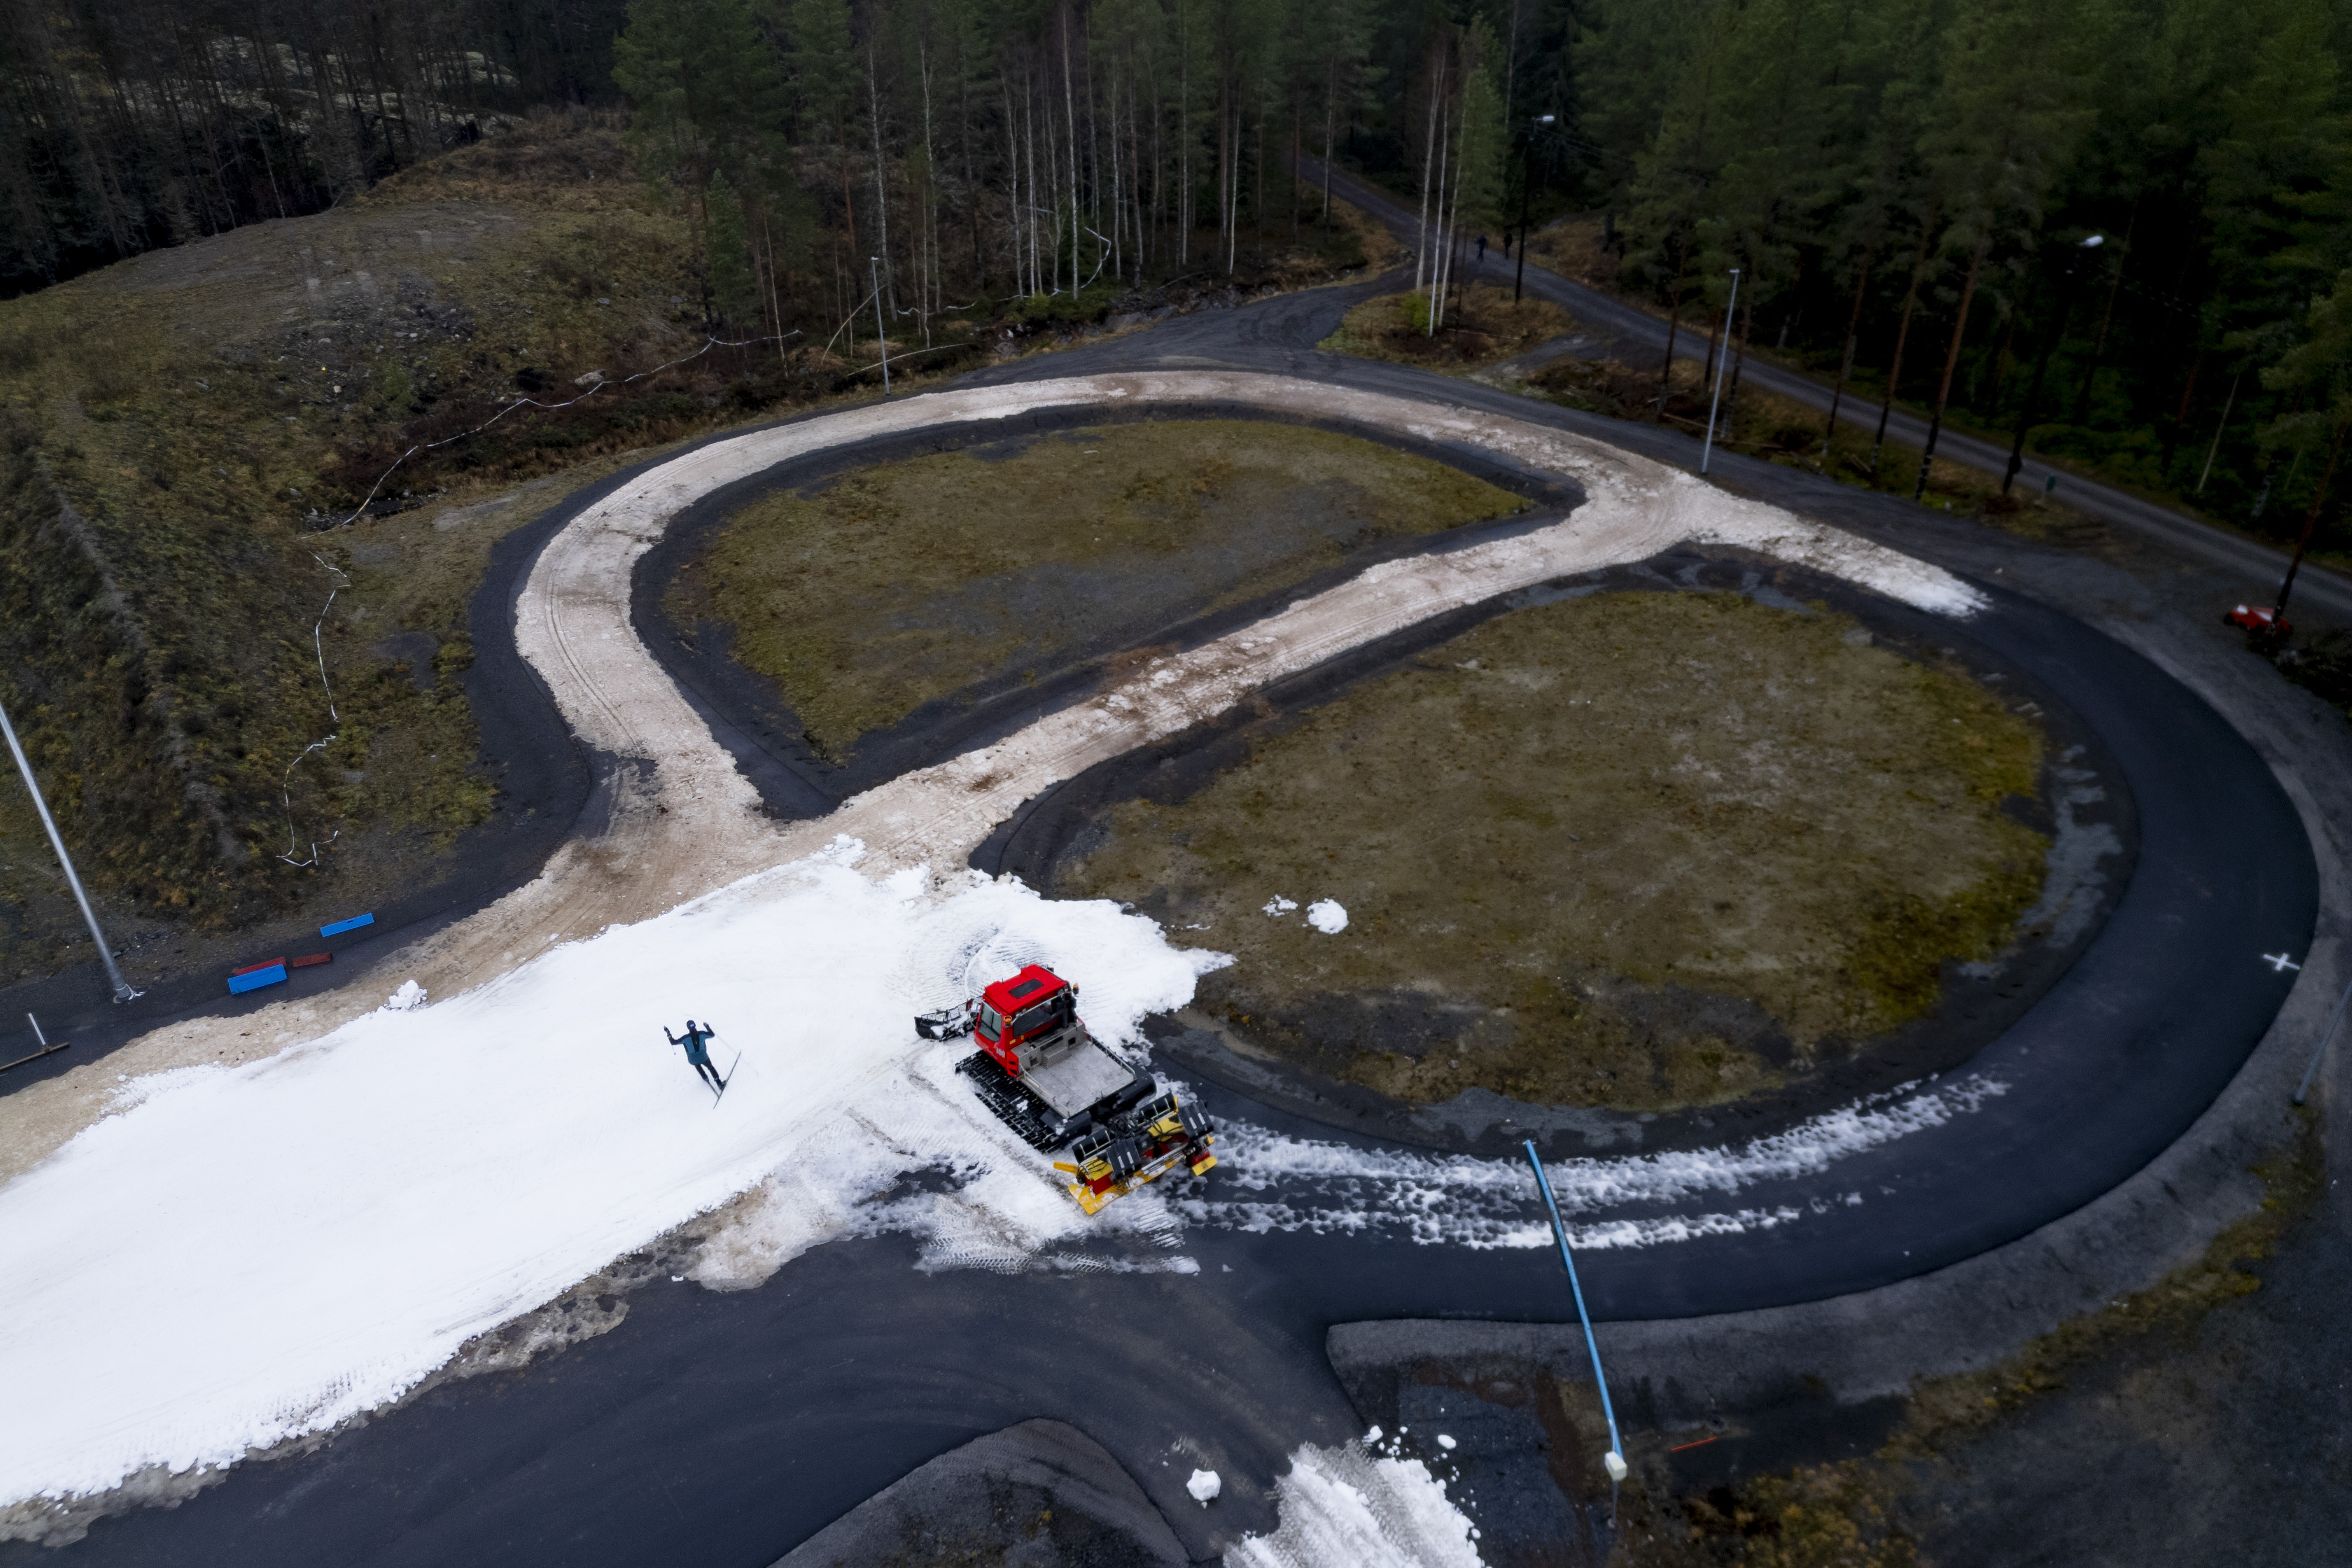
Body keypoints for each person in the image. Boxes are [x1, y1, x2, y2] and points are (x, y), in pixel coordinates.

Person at [666, 1019, 726, 1092]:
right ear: (695, 1025)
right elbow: (712, 1035)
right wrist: (707, 1027)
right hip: (703, 1057)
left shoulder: (685, 1038)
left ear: (688, 1028)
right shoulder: (701, 1034)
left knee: (697, 1065)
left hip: (692, 1060)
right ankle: (719, 1083)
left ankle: (705, 1078)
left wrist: (669, 1034)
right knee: (711, 1068)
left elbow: (673, 1042)